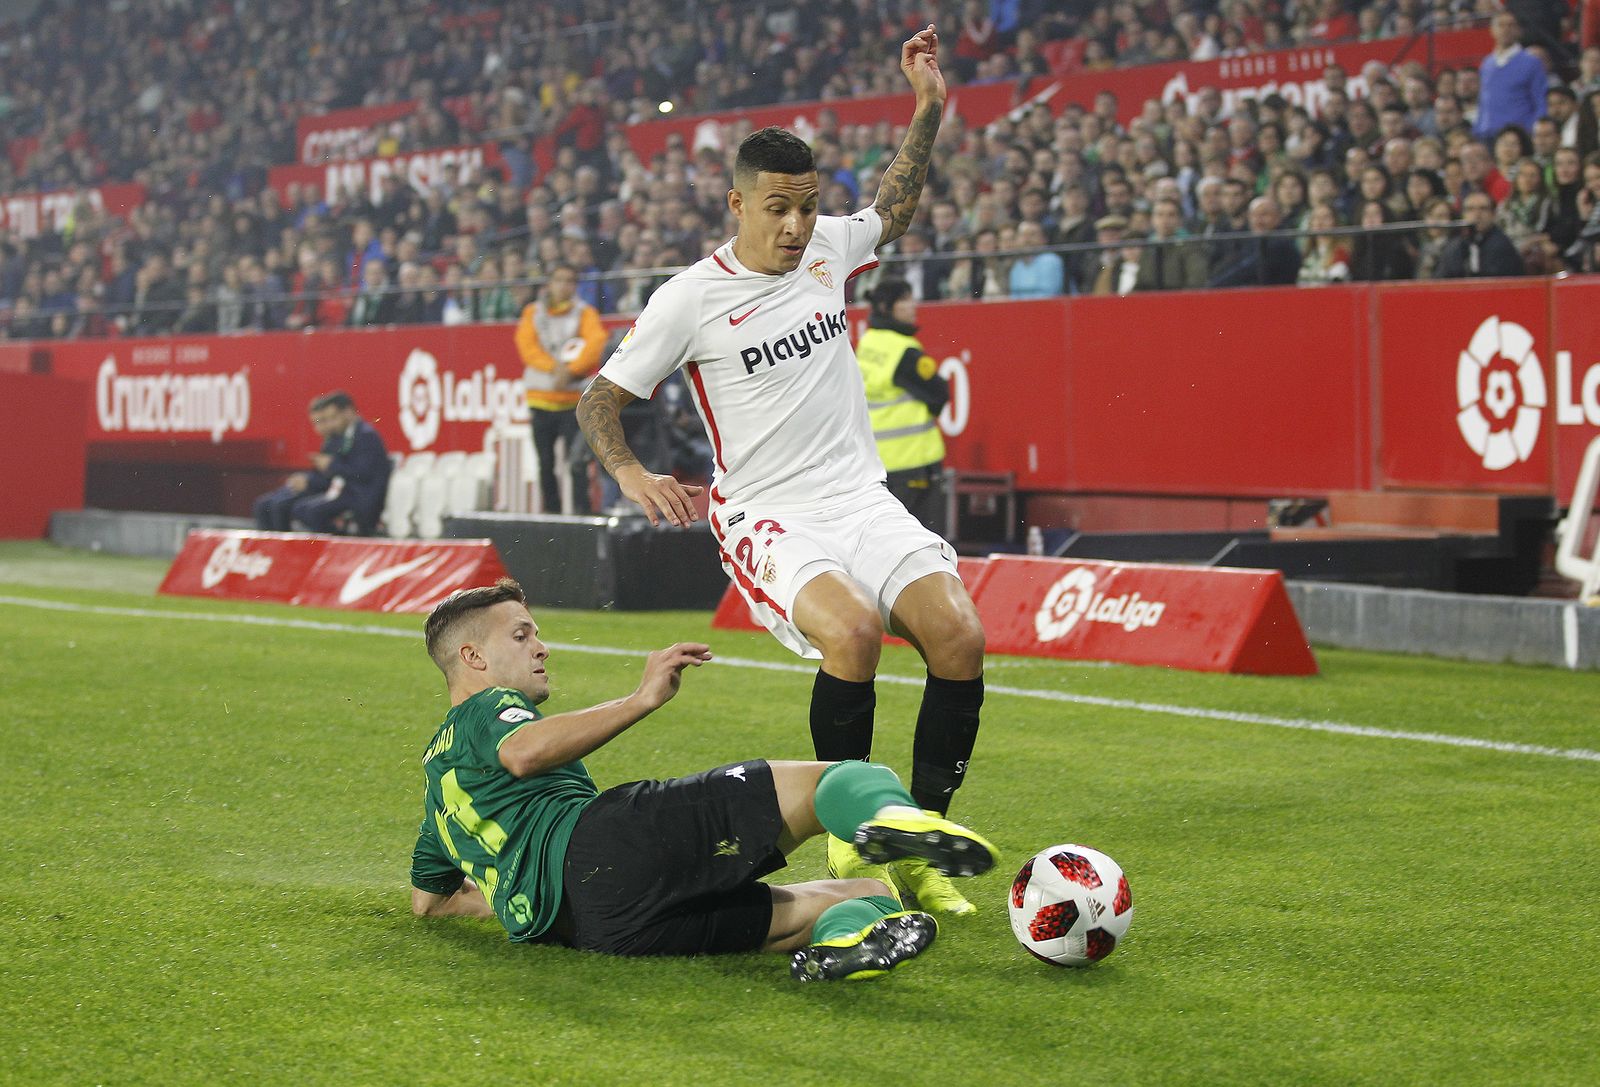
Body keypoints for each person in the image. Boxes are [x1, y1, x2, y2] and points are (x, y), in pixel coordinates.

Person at [576, 25, 990, 916]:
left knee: (960, 637)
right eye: (778, 209)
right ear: (738, 203)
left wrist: (926, 106)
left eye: (807, 206)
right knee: (855, 635)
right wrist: (633, 474)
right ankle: (849, 831)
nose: (798, 226)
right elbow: (599, 400)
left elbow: (893, 208)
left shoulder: (830, 248)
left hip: (859, 497)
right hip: (767, 512)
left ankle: (919, 841)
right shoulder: (689, 299)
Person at [406, 579, 998, 981]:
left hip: (596, 927)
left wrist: (510, 894)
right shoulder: (486, 709)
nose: (542, 647)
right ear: (473, 658)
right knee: (843, 778)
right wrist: (641, 699)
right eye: (522, 635)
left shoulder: (439, 799)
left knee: (868, 895)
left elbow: (429, 904)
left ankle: (843, 942)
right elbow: (523, 753)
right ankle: (896, 819)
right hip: (605, 848)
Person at [856, 278, 949, 535]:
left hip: (878, 462)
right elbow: (939, 393)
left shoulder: (869, 341)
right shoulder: (904, 351)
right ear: (886, 307)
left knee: (888, 538)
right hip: (913, 461)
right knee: (925, 540)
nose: (913, 306)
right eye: (905, 300)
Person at [516, 264, 606, 515]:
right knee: (545, 463)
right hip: (541, 400)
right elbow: (527, 348)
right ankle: (552, 513)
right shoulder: (532, 312)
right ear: (550, 283)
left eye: (569, 281)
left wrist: (570, 371)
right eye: (559, 280)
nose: (564, 286)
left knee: (577, 462)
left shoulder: (585, 313)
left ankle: (581, 513)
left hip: (573, 401)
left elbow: (595, 344)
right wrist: (556, 368)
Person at [252, 390, 391, 534]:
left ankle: (336, 541)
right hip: (342, 490)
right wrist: (307, 479)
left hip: (359, 495)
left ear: (348, 412)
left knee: (305, 510)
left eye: (333, 418)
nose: (330, 424)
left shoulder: (365, 435)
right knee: (268, 505)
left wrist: (329, 467)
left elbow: (362, 473)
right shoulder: (341, 437)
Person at [1476, 11, 1548, 141]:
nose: (1506, 29)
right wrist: (1478, 129)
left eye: (1511, 25)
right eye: (1501, 25)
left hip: (1519, 136)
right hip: (1488, 135)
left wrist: (1533, 130)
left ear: (1519, 30)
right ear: (1492, 30)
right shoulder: (1486, 63)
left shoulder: (1531, 62)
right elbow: (1483, 101)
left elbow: (1540, 100)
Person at [1437, 192, 1526, 277]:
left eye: (1483, 209)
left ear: (1493, 214)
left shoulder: (1502, 246)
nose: (1477, 214)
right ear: (1463, 215)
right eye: (1470, 209)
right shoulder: (1454, 246)